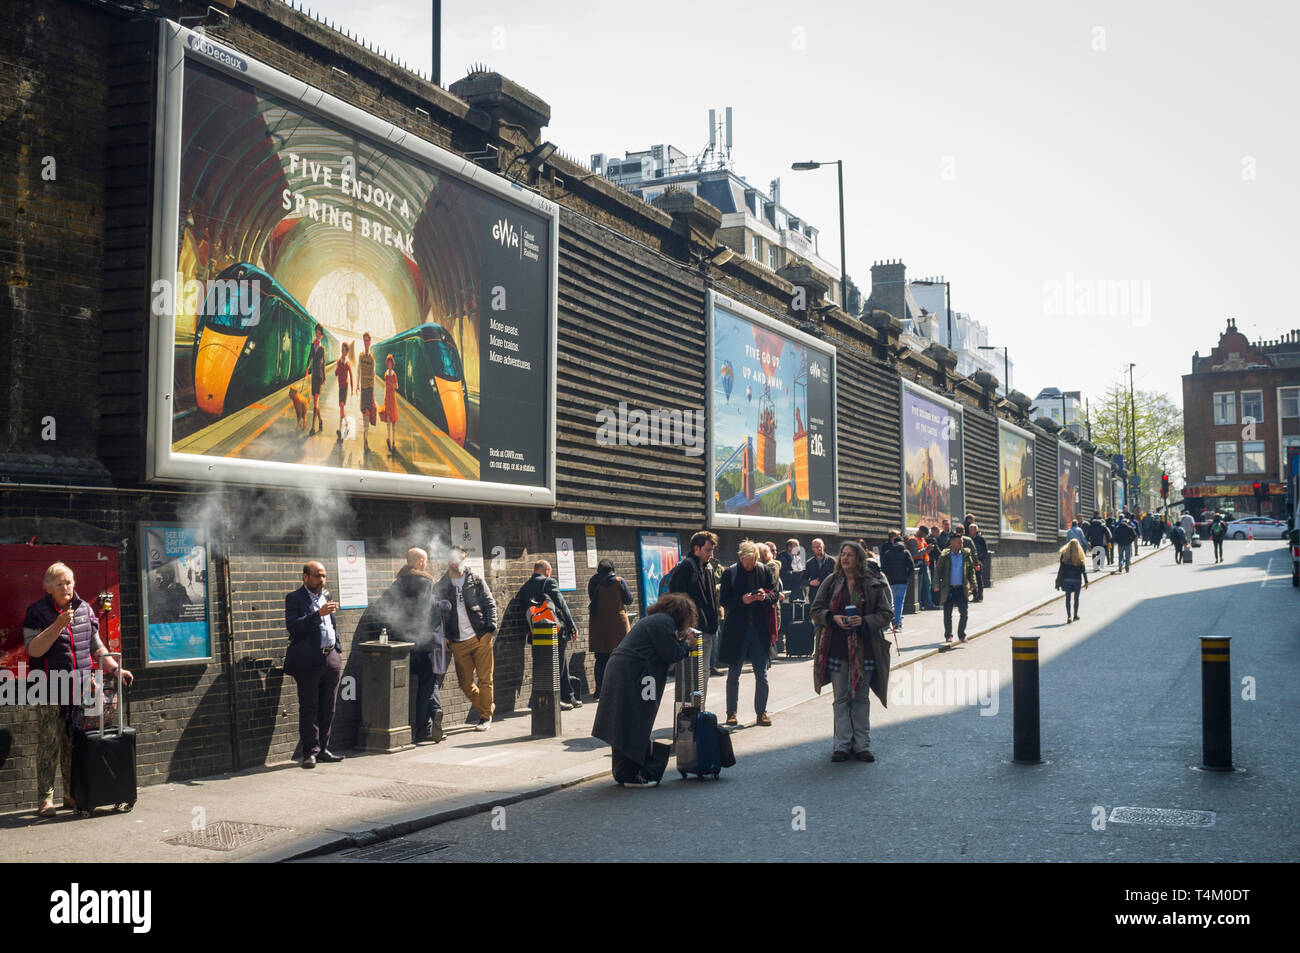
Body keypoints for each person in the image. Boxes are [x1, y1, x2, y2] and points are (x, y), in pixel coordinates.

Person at [23, 563, 133, 815]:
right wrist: (58, 624)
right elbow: (33, 650)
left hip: (82, 689)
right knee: (49, 744)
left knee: (74, 743)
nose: (66, 588)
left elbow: (97, 647)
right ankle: (45, 799)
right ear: (48, 588)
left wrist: (116, 669)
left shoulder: (84, 609)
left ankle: (71, 794)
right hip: (49, 688)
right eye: (60, 584)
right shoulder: (36, 612)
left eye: (69, 582)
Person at [591, 593, 698, 785]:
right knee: (638, 719)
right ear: (682, 615)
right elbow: (672, 653)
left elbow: (664, 648)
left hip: (624, 670)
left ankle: (623, 771)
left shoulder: (656, 620)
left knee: (624, 721)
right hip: (634, 674)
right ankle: (631, 773)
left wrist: (680, 642)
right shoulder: (664, 623)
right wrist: (688, 645)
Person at [810, 541, 892, 763]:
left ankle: (862, 745)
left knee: (861, 698)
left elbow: (886, 614)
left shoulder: (872, 583)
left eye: (849, 555)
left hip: (865, 649)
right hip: (836, 647)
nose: (844, 558)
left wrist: (864, 621)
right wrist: (832, 617)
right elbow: (815, 610)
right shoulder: (831, 582)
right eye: (842, 554)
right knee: (841, 698)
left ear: (859, 559)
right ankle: (842, 745)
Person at [382, 548, 452, 743]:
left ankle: (429, 723)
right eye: (426, 561)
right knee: (427, 683)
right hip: (422, 641)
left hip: (400, 643)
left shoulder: (397, 583)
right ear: (420, 562)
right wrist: (442, 608)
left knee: (426, 683)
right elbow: (424, 611)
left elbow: (390, 610)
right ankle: (423, 727)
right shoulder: (424, 581)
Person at [284, 561, 345, 768]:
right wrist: (318, 615)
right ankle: (310, 751)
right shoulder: (294, 598)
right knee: (309, 707)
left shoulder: (326, 596)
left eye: (324, 576)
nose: (322, 580)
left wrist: (337, 648)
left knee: (329, 706)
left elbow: (331, 625)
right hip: (308, 660)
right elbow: (293, 626)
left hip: (330, 657)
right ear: (305, 577)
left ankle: (324, 749)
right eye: (318, 576)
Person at [434, 546, 498, 729]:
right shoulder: (442, 586)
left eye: (462, 558)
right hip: (458, 641)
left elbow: (489, 603)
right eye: (456, 559)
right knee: (465, 683)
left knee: (485, 679)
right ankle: (487, 706)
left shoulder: (475, 580)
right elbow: (437, 614)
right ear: (449, 561)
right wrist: (444, 636)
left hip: (480, 637)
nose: (460, 562)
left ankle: (485, 717)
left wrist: (490, 628)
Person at [718, 540, 779, 727]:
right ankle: (731, 712)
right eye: (748, 561)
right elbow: (724, 601)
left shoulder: (764, 570)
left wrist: (765, 597)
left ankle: (762, 712)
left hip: (759, 630)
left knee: (762, 674)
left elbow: (775, 594)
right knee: (733, 674)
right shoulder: (730, 573)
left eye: (754, 560)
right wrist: (742, 600)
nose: (751, 564)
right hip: (737, 630)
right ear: (740, 557)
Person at [518, 560, 581, 708]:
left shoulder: (524, 588)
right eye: (550, 570)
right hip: (555, 630)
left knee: (558, 662)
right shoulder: (549, 582)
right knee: (555, 665)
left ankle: (568, 695)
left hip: (537, 632)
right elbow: (562, 604)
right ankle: (555, 701)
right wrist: (573, 627)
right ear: (546, 570)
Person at [668, 531, 720, 680]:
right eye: (708, 550)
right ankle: (691, 704)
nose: (711, 554)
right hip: (691, 630)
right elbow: (675, 599)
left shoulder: (709, 568)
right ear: (696, 548)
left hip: (708, 629)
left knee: (704, 673)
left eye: (712, 550)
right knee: (691, 673)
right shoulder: (685, 568)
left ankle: (700, 704)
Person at [587, 558, 633, 700]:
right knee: (619, 657)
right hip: (617, 625)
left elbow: (591, 597)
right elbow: (629, 600)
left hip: (598, 624)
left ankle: (599, 691)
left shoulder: (593, 581)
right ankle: (618, 690)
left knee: (600, 658)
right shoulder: (618, 581)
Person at [933, 532, 977, 643]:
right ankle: (948, 635)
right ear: (952, 543)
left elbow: (971, 570)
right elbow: (938, 571)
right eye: (959, 542)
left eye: (962, 542)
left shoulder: (966, 554)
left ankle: (961, 634)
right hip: (949, 589)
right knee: (947, 613)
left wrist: (973, 583)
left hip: (962, 588)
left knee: (964, 613)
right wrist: (936, 584)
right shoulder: (944, 555)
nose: (961, 544)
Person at [879, 530, 913, 634]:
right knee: (899, 602)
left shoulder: (888, 553)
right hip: (902, 580)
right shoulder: (906, 552)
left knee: (891, 602)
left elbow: (884, 567)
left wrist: (888, 577)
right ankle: (897, 623)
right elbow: (911, 566)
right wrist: (907, 575)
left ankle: (889, 621)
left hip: (891, 581)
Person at [1055, 539, 1089, 623]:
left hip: (1067, 580)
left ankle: (1069, 616)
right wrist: (1086, 581)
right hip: (1077, 580)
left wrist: (1058, 581)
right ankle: (1075, 615)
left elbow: (1061, 569)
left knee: (1068, 598)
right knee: (1076, 598)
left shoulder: (1064, 555)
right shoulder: (1080, 556)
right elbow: (1083, 570)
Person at [357, 332, 376, 447]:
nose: (366, 342)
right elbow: (358, 370)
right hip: (363, 388)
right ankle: (365, 432)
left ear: (370, 342)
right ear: (363, 342)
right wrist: (357, 385)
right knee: (364, 412)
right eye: (364, 340)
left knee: (368, 412)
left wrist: (373, 394)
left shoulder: (372, 359)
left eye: (368, 340)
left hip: (369, 388)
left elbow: (373, 376)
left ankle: (365, 437)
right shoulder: (360, 356)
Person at [308, 323, 327, 435]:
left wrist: (324, 378)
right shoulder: (312, 345)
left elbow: (323, 364)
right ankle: (320, 420)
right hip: (313, 375)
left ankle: (313, 427)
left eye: (320, 334)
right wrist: (306, 367)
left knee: (315, 401)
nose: (318, 335)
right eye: (317, 333)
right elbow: (310, 356)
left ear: (322, 336)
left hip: (319, 377)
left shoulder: (322, 348)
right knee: (316, 402)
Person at [334, 341, 353, 441]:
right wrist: (338, 365)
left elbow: (351, 375)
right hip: (340, 387)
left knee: (341, 406)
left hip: (345, 387)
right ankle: (346, 425)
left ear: (346, 352)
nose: (342, 351)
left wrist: (353, 389)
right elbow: (336, 374)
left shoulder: (348, 363)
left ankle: (340, 429)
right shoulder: (339, 361)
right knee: (341, 409)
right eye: (341, 349)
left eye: (344, 350)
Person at [381, 353, 399, 453]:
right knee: (388, 418)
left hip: (392, 398)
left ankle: (393, 442)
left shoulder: (394, 375)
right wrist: (384, 399)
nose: (389, 365)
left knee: (393, 421)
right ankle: (389, 439)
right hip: (387, 398)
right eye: (388, 363)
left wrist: (393, 385)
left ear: (392, 364)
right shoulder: (385, 374)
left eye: (390, 363)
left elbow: (397, 386)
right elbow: (385, 386)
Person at [970, 522, 989, 600]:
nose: (970, 531)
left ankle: (980, 596)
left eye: (972, 529)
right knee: (972, 579)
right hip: (970, 562)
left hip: (978, 561)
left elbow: (985, 551)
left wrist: (980, 560)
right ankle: (975, 596)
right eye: (969, 529)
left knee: (978, 579)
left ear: (976, 530)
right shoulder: (969, 539)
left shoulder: (981, 539)